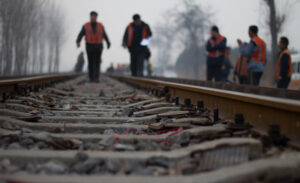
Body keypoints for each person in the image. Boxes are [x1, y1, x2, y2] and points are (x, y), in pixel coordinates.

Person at [76, 11, 111, 83]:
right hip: (89, 47)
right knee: (91, 62)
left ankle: (96, 77)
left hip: (98, 47)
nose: (93, 17)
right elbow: (81, 34)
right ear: (90, 17)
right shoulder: (86, 25)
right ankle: (91, 77)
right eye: (92, 16)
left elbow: (105, 35)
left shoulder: (100, 26)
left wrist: (108, 42)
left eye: (95, 16)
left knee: (97, 62)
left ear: (96, 17)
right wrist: (78, 41)